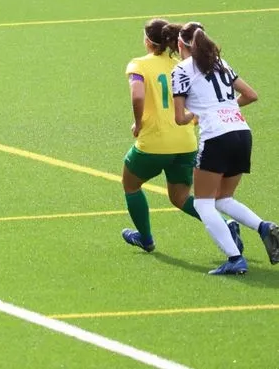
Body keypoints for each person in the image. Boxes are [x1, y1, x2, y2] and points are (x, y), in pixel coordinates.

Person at [119, 19, 241, 254]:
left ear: (147, 41)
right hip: (186, 143)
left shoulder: (139, 65)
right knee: (180, 196)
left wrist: (138, 122)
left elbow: (137, 97)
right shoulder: (183, 64)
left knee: (130, 184)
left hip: (154, 143)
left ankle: (145, 239)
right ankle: (226, 226)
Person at [171, 21, 279, 275]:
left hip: (217, 137)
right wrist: (225, 110)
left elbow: (178, 117)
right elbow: (251, 94)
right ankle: (264, 227)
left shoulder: (181, 70)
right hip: (242, 132)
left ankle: (235, 259)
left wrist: (195, 116)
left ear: (179, 45)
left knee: (203, 204)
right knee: (223, 198)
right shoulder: (221, 63)